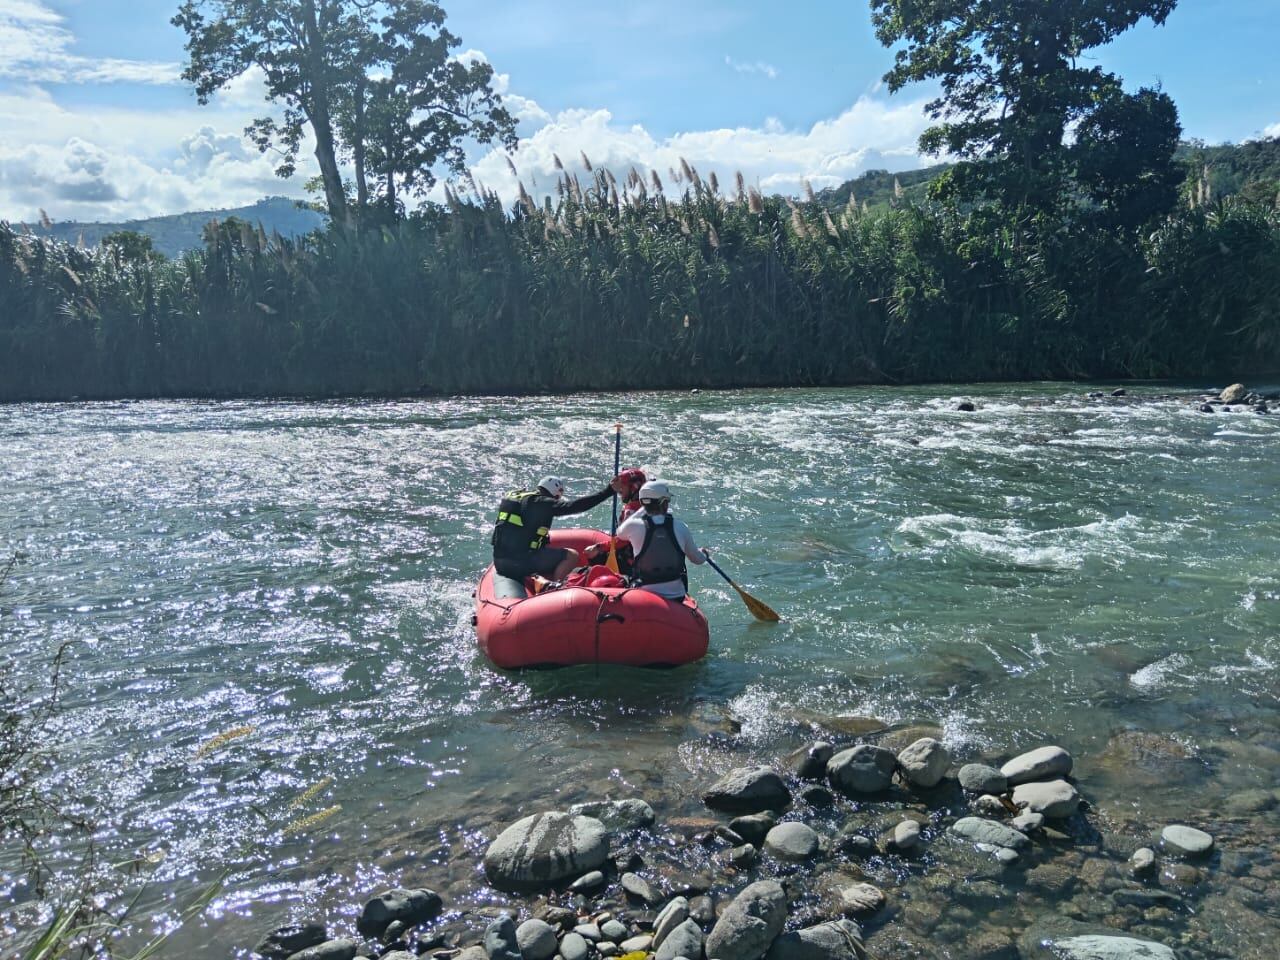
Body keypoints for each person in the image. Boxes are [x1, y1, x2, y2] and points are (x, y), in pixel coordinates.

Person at [492, 474, 628, 583]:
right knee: (572, 555)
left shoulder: (515, 496)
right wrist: (608, 491)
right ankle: (556, 587)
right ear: (555, 494)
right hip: (520, 563)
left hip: (500, 561)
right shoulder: (542, 503)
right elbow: (576, 506)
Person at [613, 480, 707, 600]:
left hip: (644, 595)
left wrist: (643, 508)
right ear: (664, 503)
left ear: (643, 503)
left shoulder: (633, 526)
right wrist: (705, 554)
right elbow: (697, 559)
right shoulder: (680, 527)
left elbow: (620, 533)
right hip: (676, 596)